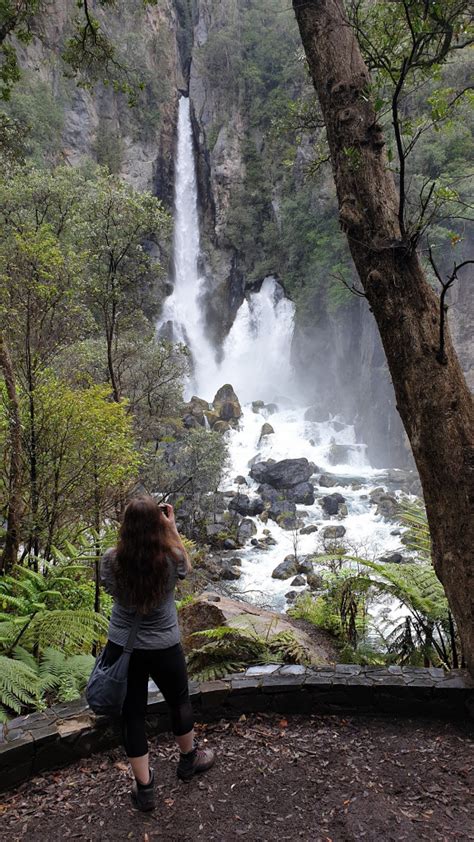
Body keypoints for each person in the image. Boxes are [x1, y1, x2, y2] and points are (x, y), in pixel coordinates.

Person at [99, 495, 214, 812]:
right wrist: (172, 527)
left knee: (132, 714)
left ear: (124, 527)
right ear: (157, 524)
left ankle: (145, 789)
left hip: (124, 647)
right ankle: (189, 761)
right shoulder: (170, 557)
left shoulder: (110, 560)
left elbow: (110, 588)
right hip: (164, 644)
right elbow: (186, 568)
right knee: (179, 700)